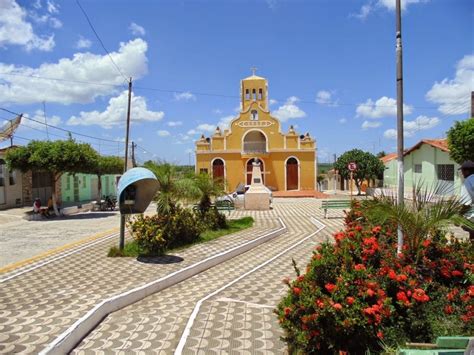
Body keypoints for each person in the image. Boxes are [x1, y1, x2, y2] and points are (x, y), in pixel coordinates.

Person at [459, 160, 474, 240]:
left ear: (467, 171)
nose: (462, 173)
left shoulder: (467, 182)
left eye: (462, 171)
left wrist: (458, 216)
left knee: (471, 232)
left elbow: (466, 204)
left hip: (472, 216)